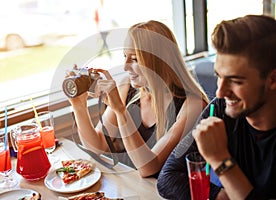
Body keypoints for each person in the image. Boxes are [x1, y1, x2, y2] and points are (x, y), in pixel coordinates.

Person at [68, 20, 209, 177]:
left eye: (134, 59)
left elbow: (149, 167)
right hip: (131, 186)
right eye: (125, 57)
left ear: (160, 61)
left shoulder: (193, 105)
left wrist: (121, 111)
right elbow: (97, 146)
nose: (125, 67)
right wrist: (78, 105)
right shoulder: (126, 87)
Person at [157, 14, 276, 199]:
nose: (220, 92)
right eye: (219, 76)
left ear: (272, 79)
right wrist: (223, 196)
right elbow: (167, 177)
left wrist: (220, 160)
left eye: (235, 81)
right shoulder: (220, 109)